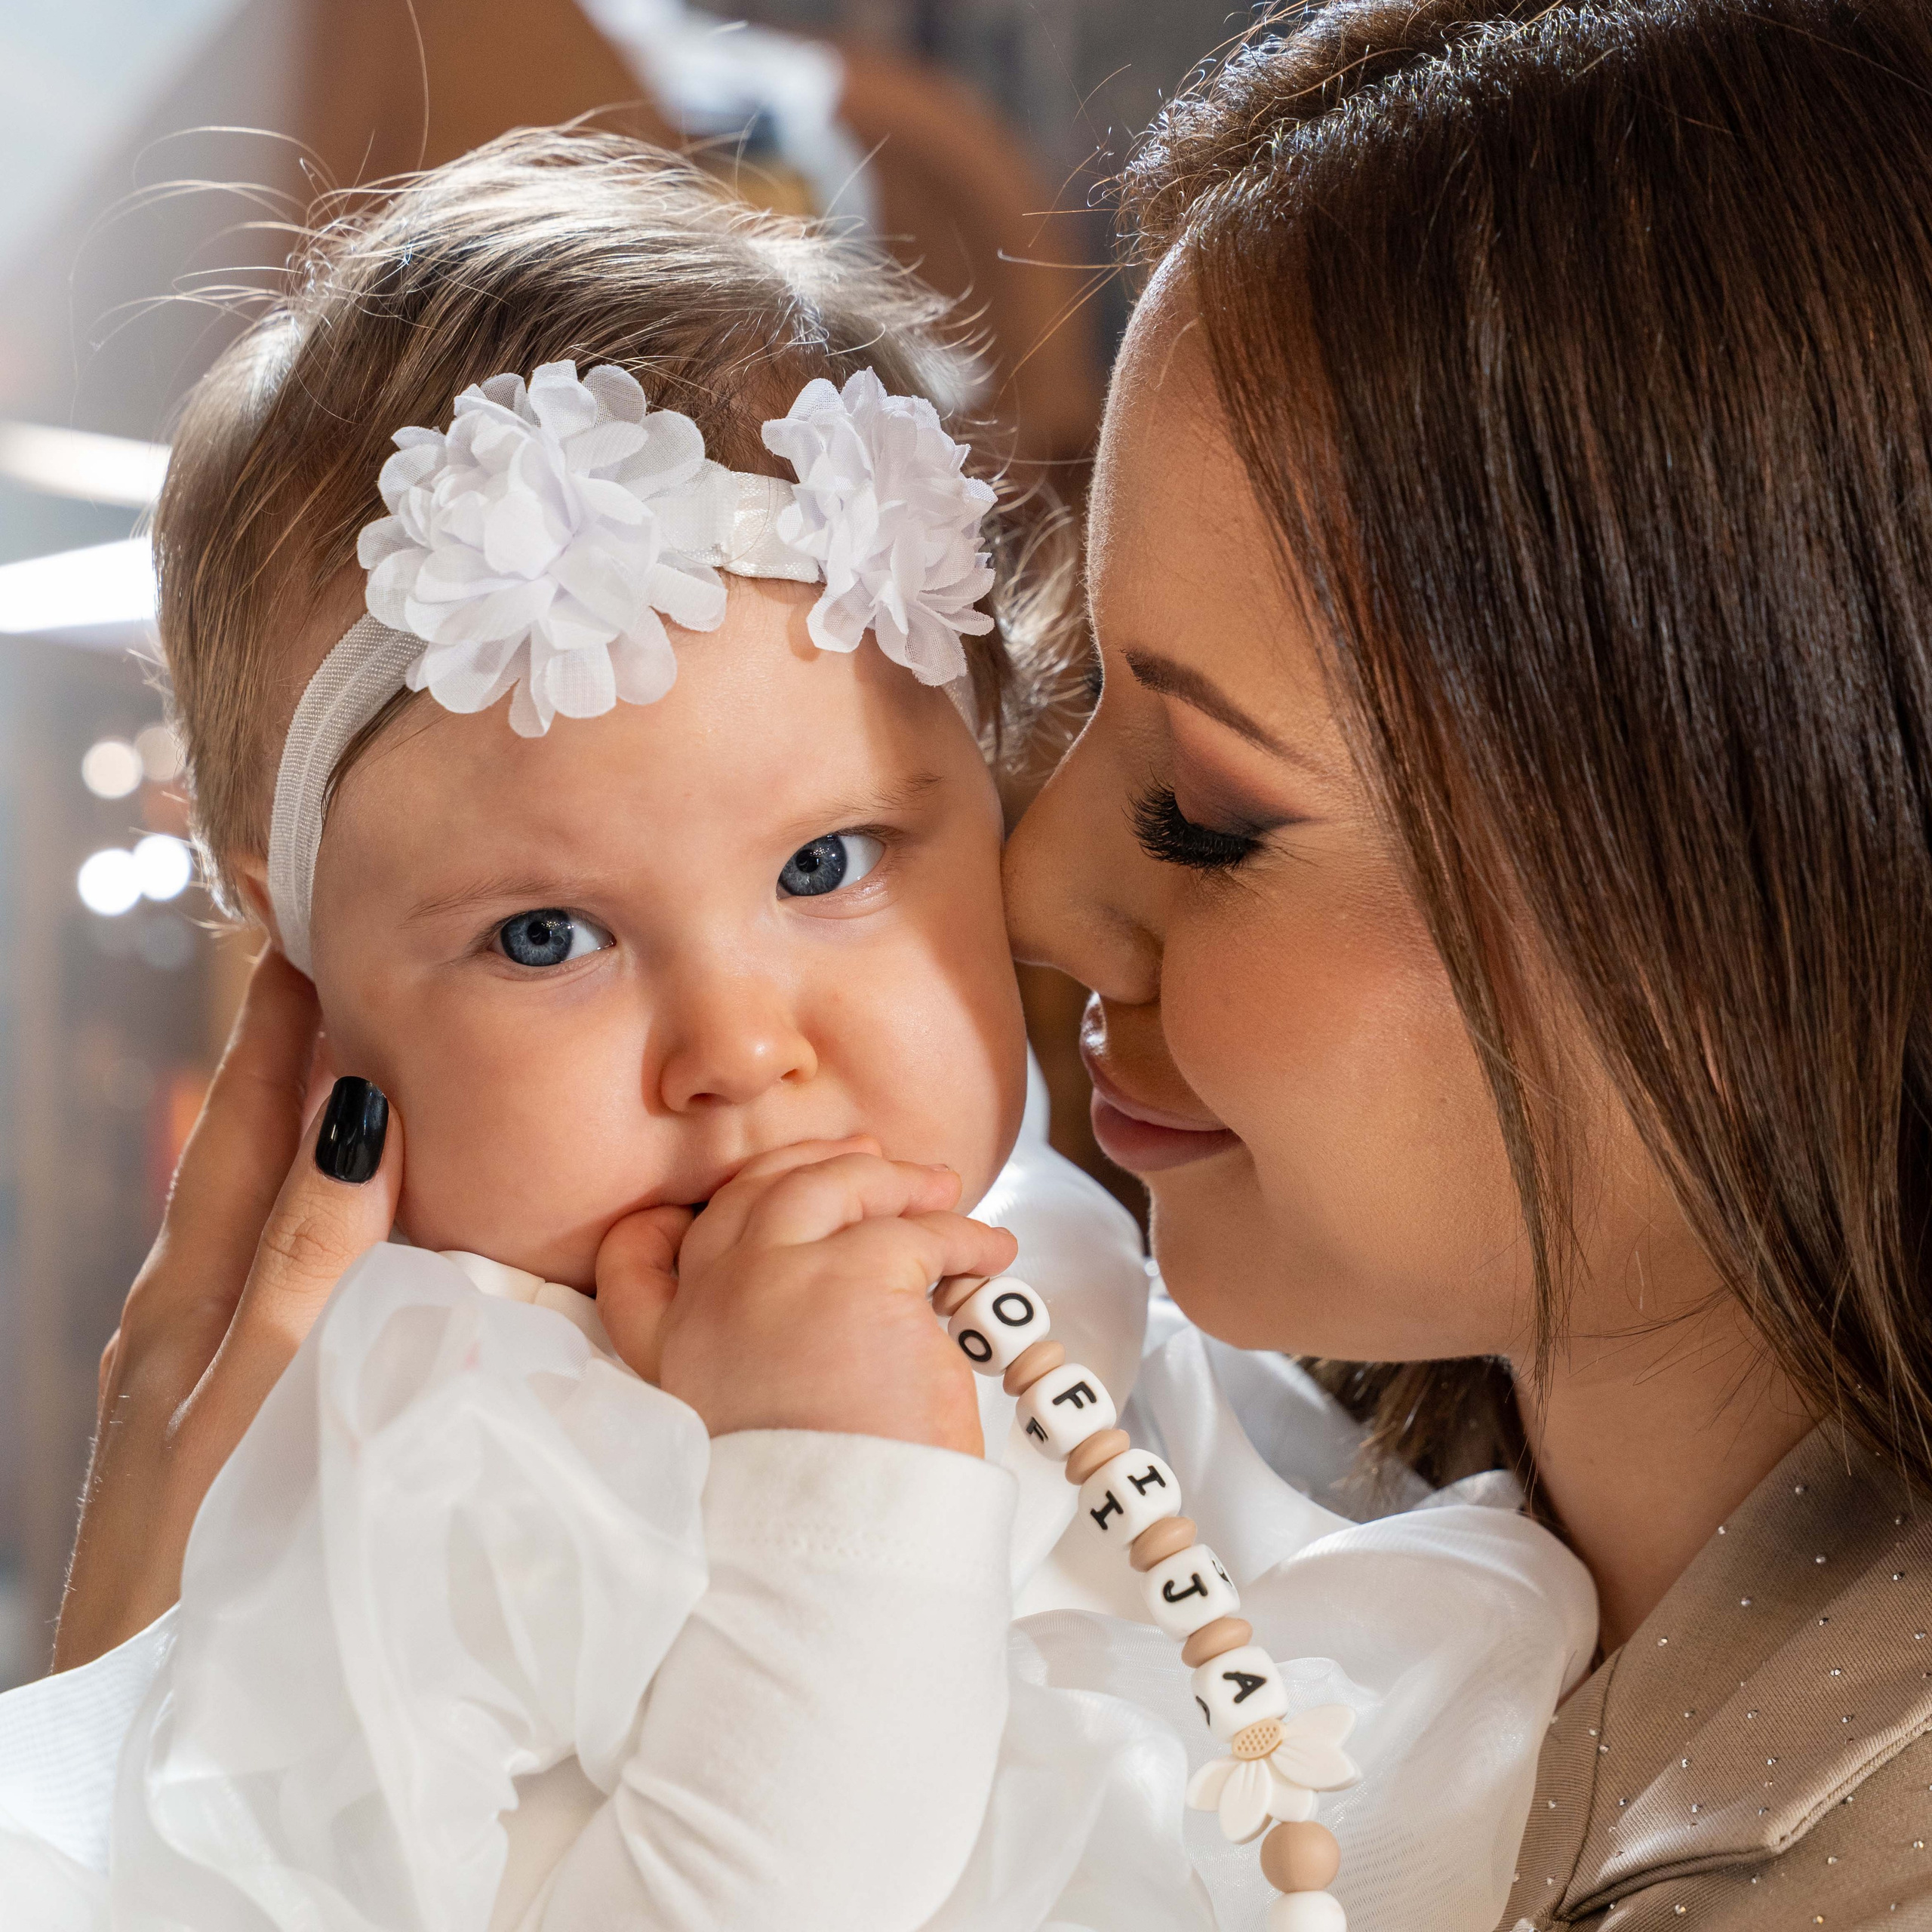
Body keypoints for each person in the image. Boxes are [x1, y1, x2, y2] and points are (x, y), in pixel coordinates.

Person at [0, 127, 1589, 1932]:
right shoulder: (455, 1437)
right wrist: (835, 1493)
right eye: (548, 934)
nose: (739, 1045)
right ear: (300, 955)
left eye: (827, 859)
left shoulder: (1035, 1230)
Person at [1002, 0, 1932, 1924]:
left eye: (1205, 805)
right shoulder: (1199, 1487)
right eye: (1082, 691)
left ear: (1757, 881)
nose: (1038, 886)